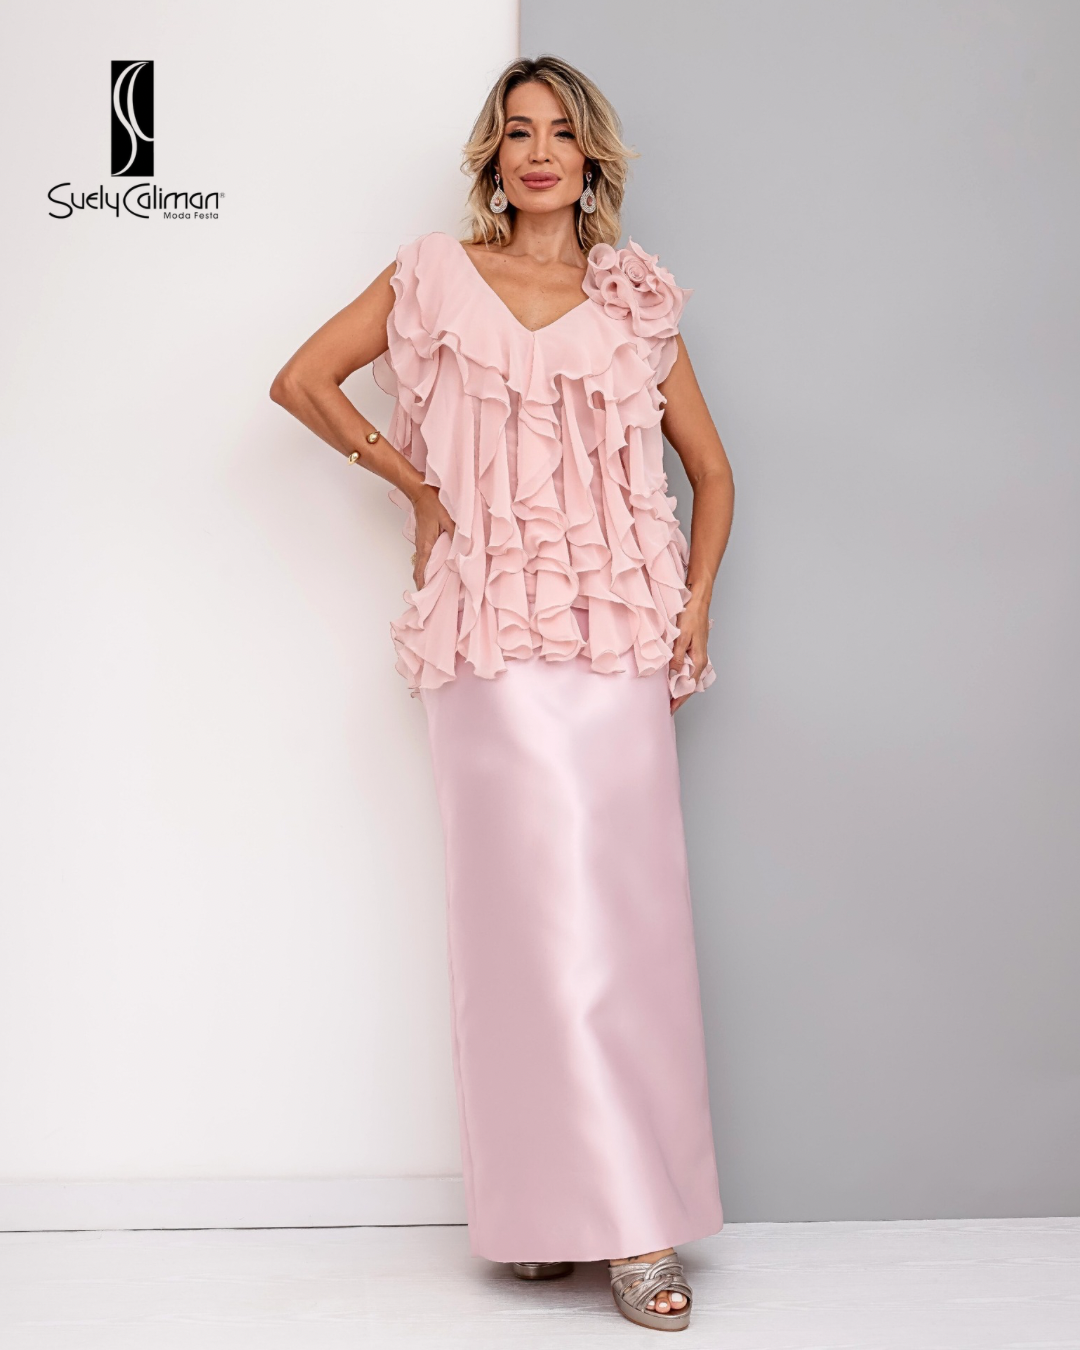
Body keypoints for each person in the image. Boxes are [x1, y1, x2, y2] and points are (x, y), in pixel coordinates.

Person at [270, 53, 734, 1334]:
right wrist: (417, 490)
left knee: (627, 927)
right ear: (493, 156)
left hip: (614, 641)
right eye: (518, 132)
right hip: (486, 642)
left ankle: (636, 1225)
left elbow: (712, 471)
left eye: (561, 133)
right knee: (515, 933)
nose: (539, 153)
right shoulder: (431, 276)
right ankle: (543, 1212)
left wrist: (694, 604)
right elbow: (301, 380)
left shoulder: (632, 300)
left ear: (591, 160)